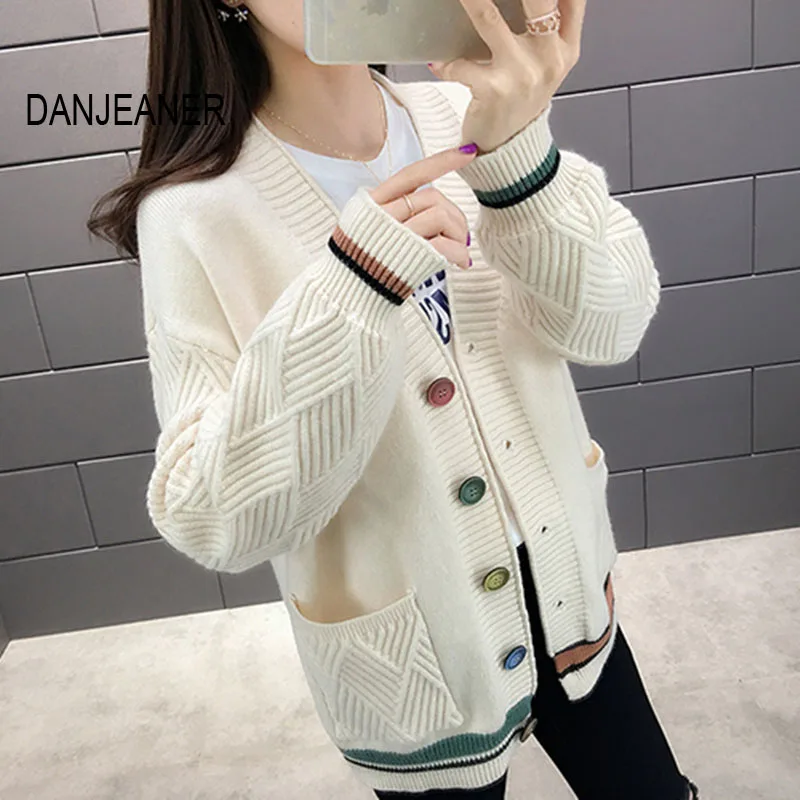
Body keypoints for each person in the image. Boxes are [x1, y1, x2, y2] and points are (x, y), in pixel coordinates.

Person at [88, 0, 701, 798]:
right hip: (418, 665)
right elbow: (210, 516)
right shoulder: (194, 214)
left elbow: (612, 325)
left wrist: (521, 164)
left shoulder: (470, 115)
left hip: (570, 589)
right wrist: (353, 289)